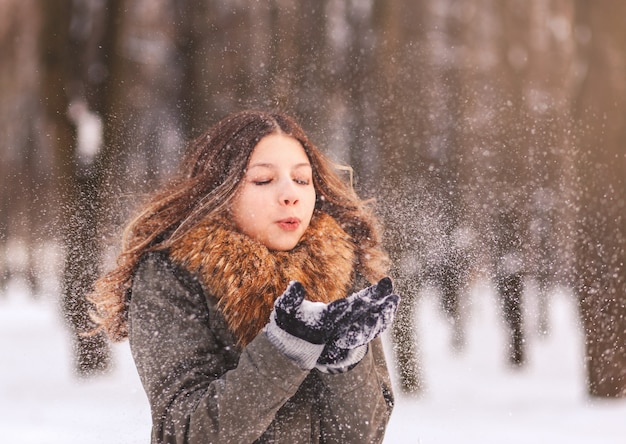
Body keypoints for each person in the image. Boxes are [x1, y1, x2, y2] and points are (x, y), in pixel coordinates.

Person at [89, 109, 400, 444]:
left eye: (302, 179)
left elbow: (364, 436)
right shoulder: (171, 276)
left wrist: (345, 360)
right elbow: (186, 434)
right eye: (263, 180)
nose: (290, 194)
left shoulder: (340, 270)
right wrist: (284, 350)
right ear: (221, 192)